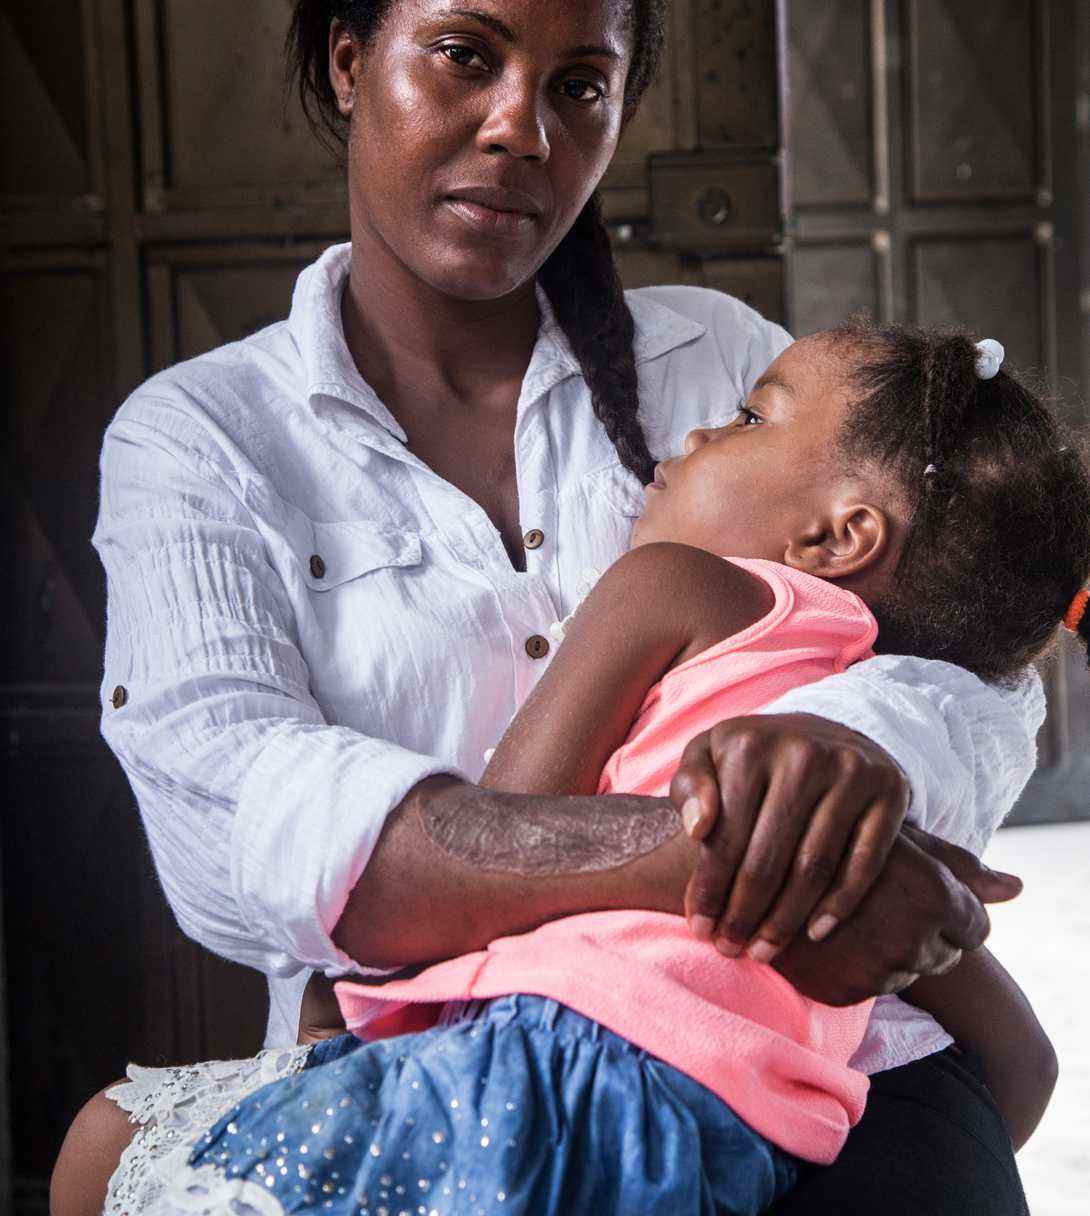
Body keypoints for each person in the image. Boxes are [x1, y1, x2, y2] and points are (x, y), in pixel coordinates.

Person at [51, 0, 1045, 1216]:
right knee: (106, 1151)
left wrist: (847, 759)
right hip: (444, 1100)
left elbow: (960, 647)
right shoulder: (203, 441)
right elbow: (240, 831)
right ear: (350, 64)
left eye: (580, 85)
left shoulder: (713, 361)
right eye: (466, 55)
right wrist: (736, 853)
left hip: (819, 1077)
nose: (524, 127)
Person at [161, 322, 1073, 1216]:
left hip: (544, 1069)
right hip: (746, 1142)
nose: (700, 434)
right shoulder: (900, 710)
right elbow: (1025, 1075)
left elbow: (507, 828)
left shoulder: (675, 584)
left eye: (753, 419)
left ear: (837, 539)